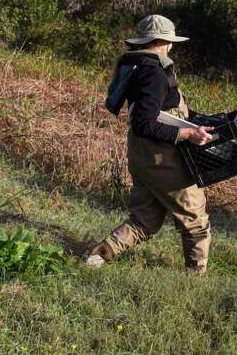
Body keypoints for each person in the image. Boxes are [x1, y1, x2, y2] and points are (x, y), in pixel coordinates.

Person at [86, 15, 215, 273]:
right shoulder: (154, 72)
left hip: (142, 154)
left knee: (145, 219)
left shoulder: (136, 66)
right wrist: (189, 134)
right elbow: (145, 123)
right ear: (164, 41)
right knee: (195, 220)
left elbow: (153, 112)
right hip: (160, 158)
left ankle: (97, 258)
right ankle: (195, 279)